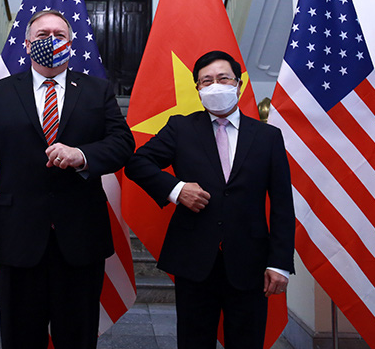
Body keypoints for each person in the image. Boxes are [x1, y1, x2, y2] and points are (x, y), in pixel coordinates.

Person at [0, 10, 134, 349]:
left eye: (59, 34)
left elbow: (123, 145)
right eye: (41, 35)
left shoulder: (97, 91)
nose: (51, 40)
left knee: (78, 337)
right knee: (20, 336)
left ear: (71, 43)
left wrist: (82, 155)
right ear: (26, 45)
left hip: (82, 237)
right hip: (18, 238)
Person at [124, 50, 295, 349]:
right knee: (194, 341)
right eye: (206, 81)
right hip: (194, 259)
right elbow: (138, 163)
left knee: (247, 341)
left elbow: (282, 203)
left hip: (250, 262)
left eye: (223, 78)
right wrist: (177, 190)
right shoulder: (181, 128)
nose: (215, 85)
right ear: (198, 90)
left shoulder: (268, 137)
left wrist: (279, 263)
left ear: (238, 83)